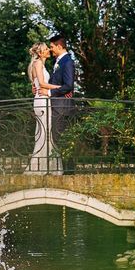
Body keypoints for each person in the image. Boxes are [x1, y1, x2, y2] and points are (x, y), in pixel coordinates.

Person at [39, 34, 75, 174]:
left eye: (52, 47)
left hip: (62, 107)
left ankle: (70, 171)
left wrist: (49, 93)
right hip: (57, 106)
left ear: (59, 46)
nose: (51, 49)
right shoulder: (59, 61)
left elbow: (68, 86)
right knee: (58, 137)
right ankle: (65, 170)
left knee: (61, 138)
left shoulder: (67, 62)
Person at [26, 43, 62, 174]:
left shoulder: (38, 64)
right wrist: (59, 88)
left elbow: (34, 86)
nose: (48, 51)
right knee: (45, 131)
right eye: (46, 49)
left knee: (46, 131)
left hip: (42, 98)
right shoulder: (38, 63)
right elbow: (41, 83)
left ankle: (47, 165)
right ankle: (43, 166)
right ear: (40, 53)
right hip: (42, 100)